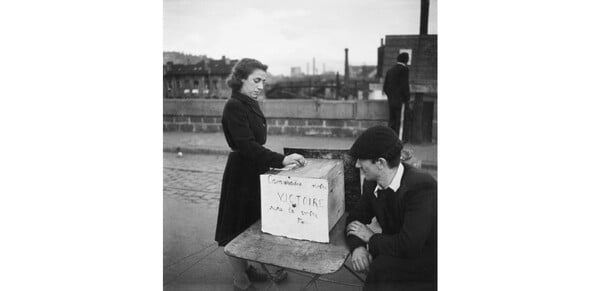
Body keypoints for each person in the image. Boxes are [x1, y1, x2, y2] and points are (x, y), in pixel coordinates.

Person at [214, 58, 306, 291]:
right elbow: (246, 145)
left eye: (263, 82)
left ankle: (248, 267)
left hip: (252, 168)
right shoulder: (235, 105)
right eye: (256, 80)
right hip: (241, 172)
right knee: (235, 228)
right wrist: (281, 159)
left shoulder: (249, 102)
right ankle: (240, 280)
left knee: (250, 223)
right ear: (240, 80)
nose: (260, 87)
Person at [345, 125, 437, 291]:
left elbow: (409, 245)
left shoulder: (421, 186)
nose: (357, 165)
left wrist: (371, 238)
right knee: (380, 267)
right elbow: (354, 219)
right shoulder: (371, 183)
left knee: (380, 268)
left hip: (427, 261)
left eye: (361, 160)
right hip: (396, 250)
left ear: (380, 163)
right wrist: (357, 247)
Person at [383, 52, 412, 141]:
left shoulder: (390, 70)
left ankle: (389, 139)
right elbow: (404, 86)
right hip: (401, 101)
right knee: (400, 122)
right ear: (406, 60)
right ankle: (399, 140)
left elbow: (385, 87)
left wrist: (391, 96)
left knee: (392, 121)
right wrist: (407, 98)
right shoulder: (404, 69)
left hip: (391, 100)